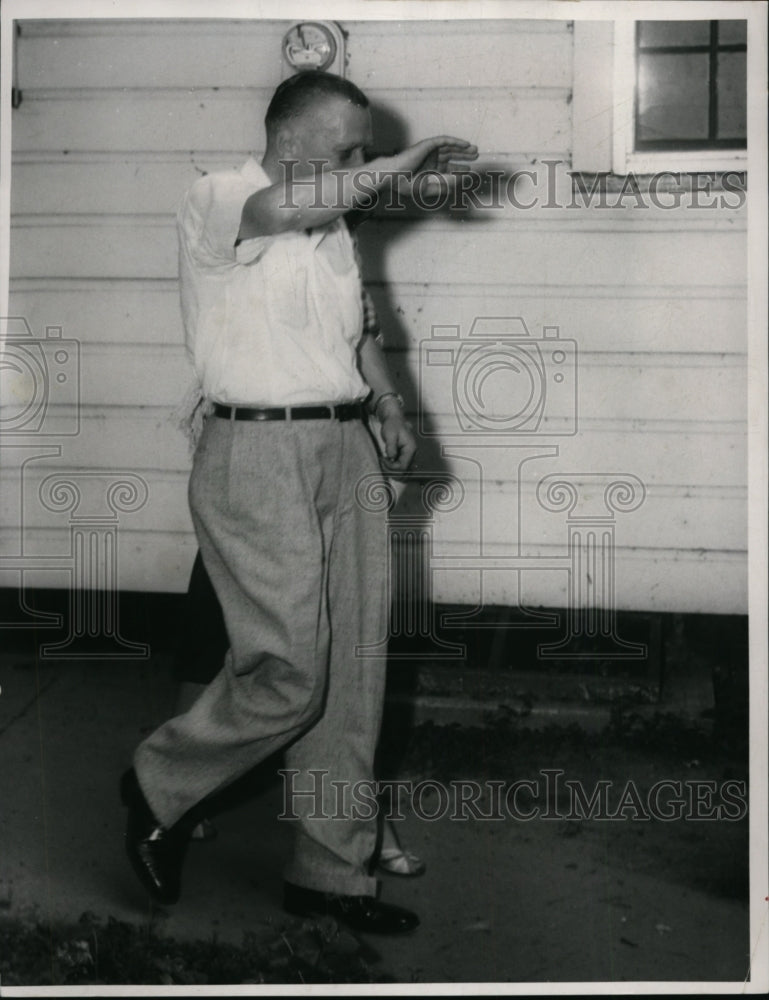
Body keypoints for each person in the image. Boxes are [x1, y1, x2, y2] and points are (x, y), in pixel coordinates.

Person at [120, 70, 476, 935]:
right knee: (289, 670)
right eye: (346, 147)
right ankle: (156, 783)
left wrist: (388, 405)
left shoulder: (337, 231)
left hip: (343, 443)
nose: (358, 162)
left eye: (364, 151)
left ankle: (330, 873)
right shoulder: (222, 197)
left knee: (353, 673)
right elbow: (287, 211)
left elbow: (354, 331)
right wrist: (402, 162)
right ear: (290, 140)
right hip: (256, 448)